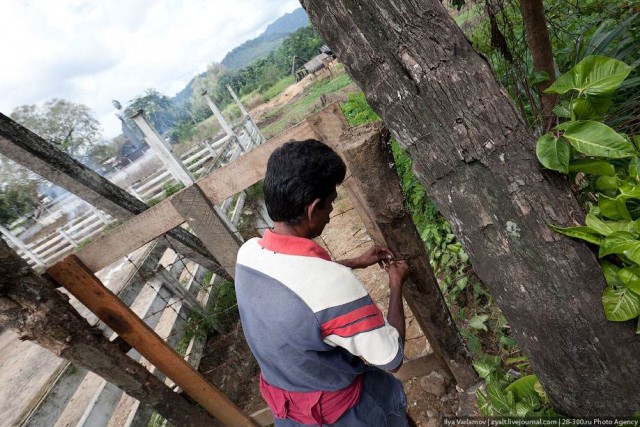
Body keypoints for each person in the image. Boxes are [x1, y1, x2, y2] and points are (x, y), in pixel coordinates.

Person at [235, 139, 411, 426]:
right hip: (343, 414)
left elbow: (295, 286)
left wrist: (355, 261)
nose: (330, 213)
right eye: (330, 204)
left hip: (288, 409)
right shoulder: (332, 285)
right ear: (313, 208)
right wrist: (395, 284)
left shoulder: (249, 253)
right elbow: (392, 359)